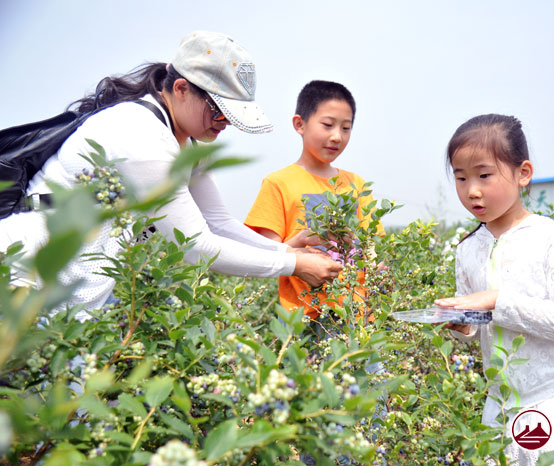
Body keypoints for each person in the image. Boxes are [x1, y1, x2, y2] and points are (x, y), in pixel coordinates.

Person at [0, 31, 341, 318]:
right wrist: (293, 265)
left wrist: (284, 252)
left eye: (232, 114)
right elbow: (197, 247)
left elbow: (217, 222)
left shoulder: (184, 142)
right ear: (180, 89)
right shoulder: (141, 135)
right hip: (25, 279)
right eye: (219, 110)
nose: (225, 123)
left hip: (71, 296)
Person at [433, 114, 554, 465]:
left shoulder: (551, 238)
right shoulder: (467, 249)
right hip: (504, 406)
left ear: (523, 173)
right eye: (461, 178)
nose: (471, 190)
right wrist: (463, 325)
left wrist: (496, 300)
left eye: (484, 175)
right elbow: (479, 327)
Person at [244, 80, 383, 320]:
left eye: (346, 128)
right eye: (327, 125)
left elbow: (374, 249)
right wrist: (301, 240)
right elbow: (267, 256)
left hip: (359, 315)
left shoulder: (357, 185)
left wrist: (379, 268)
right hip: (305, 317)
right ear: (300, 124)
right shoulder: (278, 184)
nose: (337, 136)